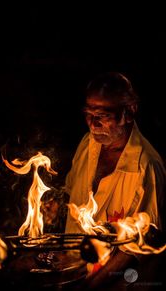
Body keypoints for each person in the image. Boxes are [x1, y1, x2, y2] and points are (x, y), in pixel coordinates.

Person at [62, 71, 166, 289]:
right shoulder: (87, 144)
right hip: (73, 274)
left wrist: (88, 287)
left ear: (129, 112)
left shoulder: (146, 166)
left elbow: (135, 247)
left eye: (103, 115)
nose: (93, 124)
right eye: (88, 114)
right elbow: (70, 194)